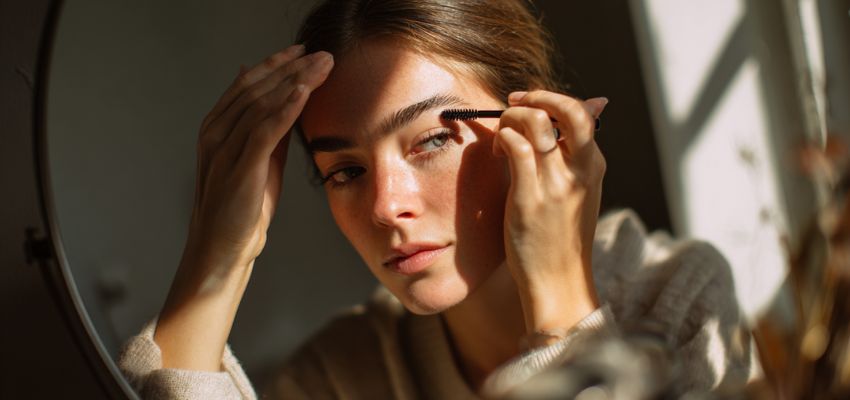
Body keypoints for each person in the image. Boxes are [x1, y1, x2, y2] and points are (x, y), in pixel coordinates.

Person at [117, 0, 757, 398]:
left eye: (430, 140)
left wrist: (562, 315)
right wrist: (215, 260)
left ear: (539, 122)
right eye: (343, 171)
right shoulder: (335, 380)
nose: (383, 207)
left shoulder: (678, 306)